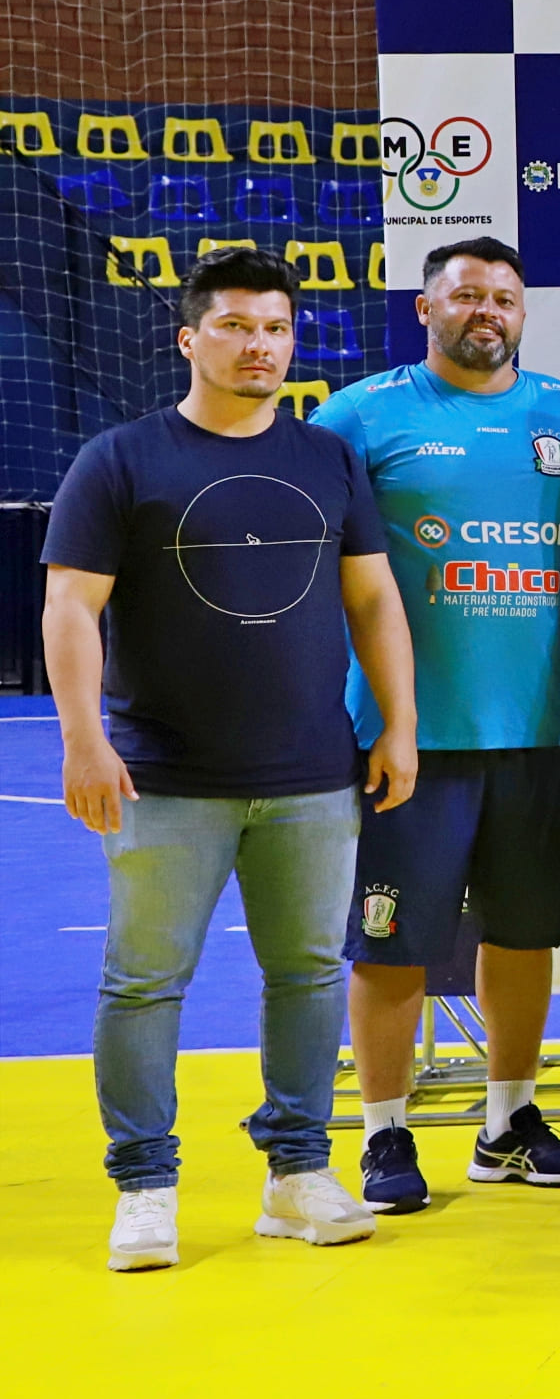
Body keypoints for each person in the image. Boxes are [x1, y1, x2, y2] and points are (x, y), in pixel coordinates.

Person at [44, 249, 420, 1269]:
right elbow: (70, 606)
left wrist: (400, 722)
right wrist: (83, 738)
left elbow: (374, 596)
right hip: (165, 781)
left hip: (313, 777)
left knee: (308, 974)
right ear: (189, 337)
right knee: (143, 983)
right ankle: (144, 1186)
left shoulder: (327, 459)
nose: (261, 346)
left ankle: (297, 1173)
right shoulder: (120, 459)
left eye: (277, 329)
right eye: (237, 326)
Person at [316, 236, 560, 1215]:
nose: (488, 311)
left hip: (535, 730)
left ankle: (507, 1124)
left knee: (524, 935)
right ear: (425, 308)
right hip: (406, 739)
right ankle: (384, 1133)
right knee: (391, 942)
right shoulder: (359, 415)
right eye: (467, 294)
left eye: (504, 298)